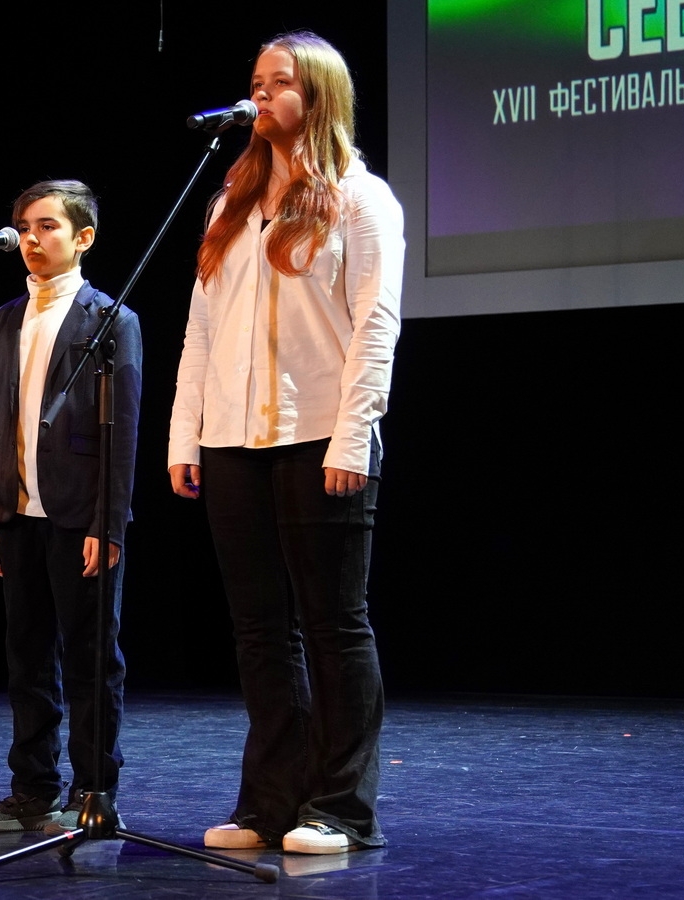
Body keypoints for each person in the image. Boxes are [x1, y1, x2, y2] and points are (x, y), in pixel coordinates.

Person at [166, 31, 403, 855]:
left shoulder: (361, 199)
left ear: (319, 96)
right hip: (233, 437)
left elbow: (375, 327)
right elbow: (201, 329)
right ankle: (271, 803)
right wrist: (187, 432)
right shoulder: (228, 204)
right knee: (259, 629)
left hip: (320, 434)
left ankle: (343, 807)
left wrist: (354, 437)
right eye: (256, 82)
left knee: (334, 624)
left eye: (279, 84)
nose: (260, 96)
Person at [0, 180, 142, 831]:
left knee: (93, 657)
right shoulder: (3, 321)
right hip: (18, 514)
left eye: (47, 226)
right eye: (23, 228)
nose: (31, 239)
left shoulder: (111, 320)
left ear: (83, 237)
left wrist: (108, 521)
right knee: (27, 657)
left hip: (79, 516)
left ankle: (94, 790)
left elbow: (122, 433)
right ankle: (32, 788)